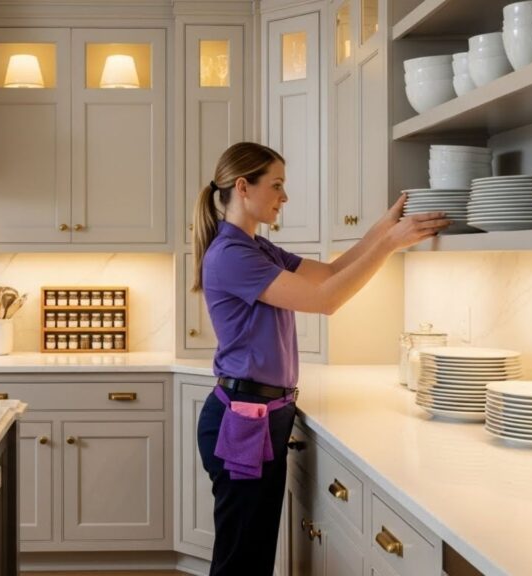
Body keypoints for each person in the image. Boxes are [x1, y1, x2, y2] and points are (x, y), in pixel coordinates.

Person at [192, 142, 450, 575]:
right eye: (276, 185)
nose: (284, 197)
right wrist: (389, 245)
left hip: (262, 416)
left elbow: (330, 273)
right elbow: (326, 299)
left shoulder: (258, 248)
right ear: (243, 187)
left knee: (251, 556)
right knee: (241, 561)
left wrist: (382, 231)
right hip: (244, 419)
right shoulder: (232, 255)